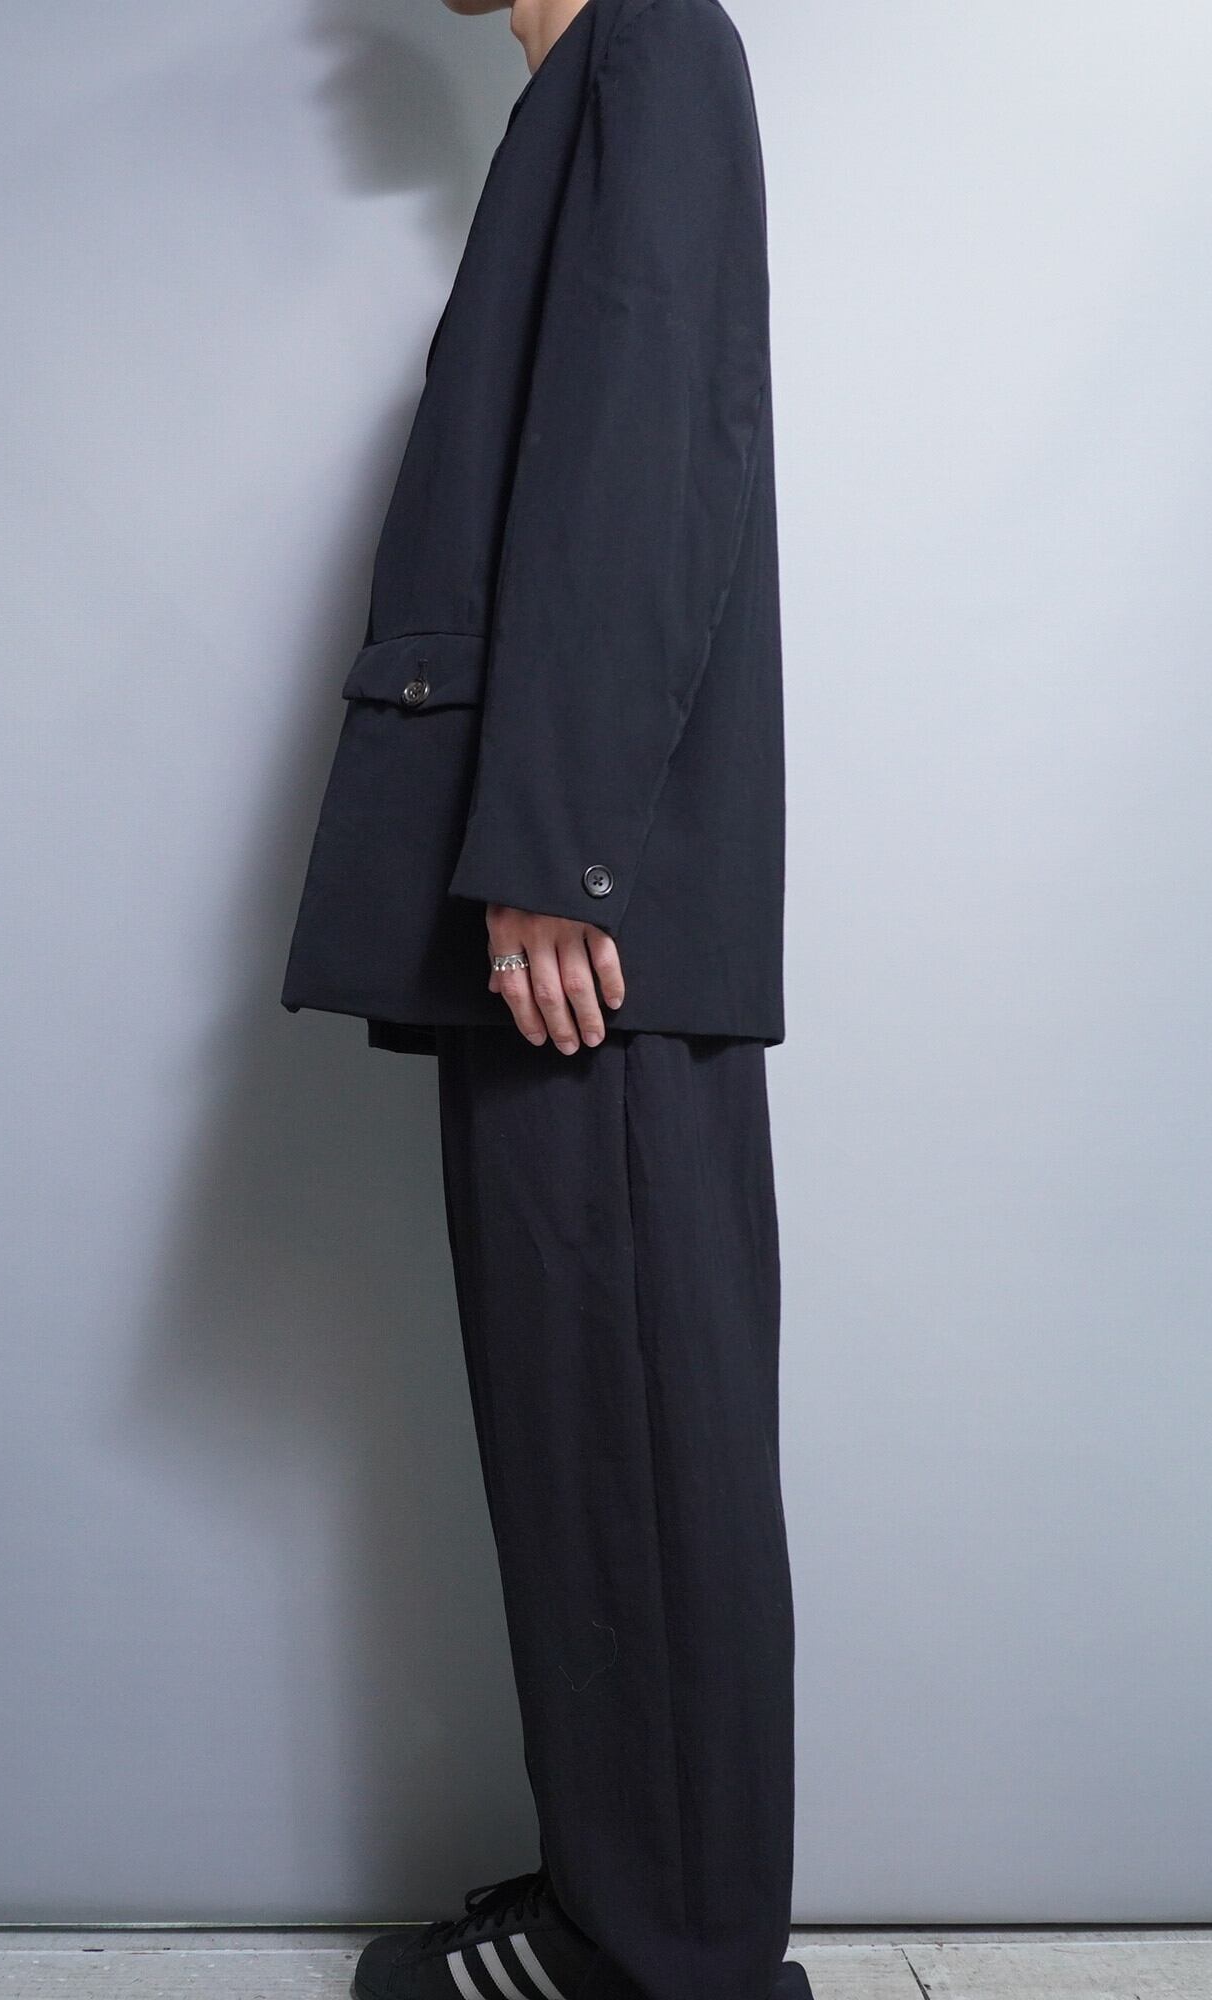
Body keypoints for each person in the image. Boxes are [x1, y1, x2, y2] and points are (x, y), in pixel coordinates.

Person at [282, 1, 803, 1995]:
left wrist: (553, 851)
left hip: (586, 920)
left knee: (635, 1436)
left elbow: (648, 448)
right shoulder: (602, 78)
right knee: (596, 1428)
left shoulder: (656, 47)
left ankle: (668, 1958)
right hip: (571, 900)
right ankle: (632, 1904)